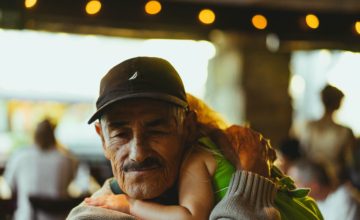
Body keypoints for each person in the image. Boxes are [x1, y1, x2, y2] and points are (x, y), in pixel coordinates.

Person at [67, 57, 321, 219]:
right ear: (102, 140)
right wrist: (253, 176)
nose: (138, 153)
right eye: (120, 134)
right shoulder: (95, 215)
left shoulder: (198, 168)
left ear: (188, 128)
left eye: (156, 129)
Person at [4, 119, 78, 220]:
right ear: (53, 136)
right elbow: (71, 183)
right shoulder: (67, 159)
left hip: (26, 217)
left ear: (34, 135)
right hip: (59, 217)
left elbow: (10, 187)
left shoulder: (19, 156)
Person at [300, 84, 355, 185]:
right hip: (334, 182)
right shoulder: (345, 131)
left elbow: (303, 154)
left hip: (310, 180)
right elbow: (349, 163)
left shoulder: (309, 126)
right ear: (339, 103)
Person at [288, 159, 360, 220]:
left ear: (313, 186)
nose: (290, 190)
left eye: (295, 185)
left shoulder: (343, 200)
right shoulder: (317, 203)